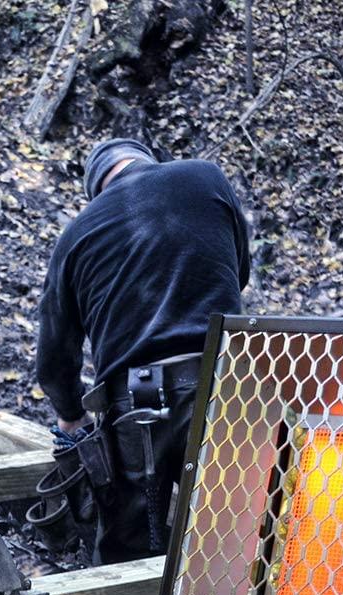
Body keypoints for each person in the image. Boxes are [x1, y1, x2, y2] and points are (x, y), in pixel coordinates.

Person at [32, 138, 250, 563]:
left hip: (137, 407)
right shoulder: (206, 178)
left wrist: (72, 416)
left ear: (97, 189)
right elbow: (236, 272)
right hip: (227, 386)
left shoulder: (77, 234)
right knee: (234, 536)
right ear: (148, 161)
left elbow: (55, 355)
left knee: (126, 552)